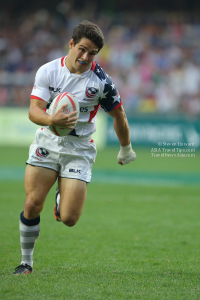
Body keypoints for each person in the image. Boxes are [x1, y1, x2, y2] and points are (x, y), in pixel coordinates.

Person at [13, 20, 136, 275]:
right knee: (33, 203)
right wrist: (51, 120)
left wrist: (126, 148)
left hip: (79, 148)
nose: (85, 56)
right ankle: (26, 262)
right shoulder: (48, 71)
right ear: (71, 44)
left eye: (92, 53)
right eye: (82, 49)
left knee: (69, 219)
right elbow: (34, 111)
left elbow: (119, 115)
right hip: (48, 140)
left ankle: (62, 198)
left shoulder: (101, 82)